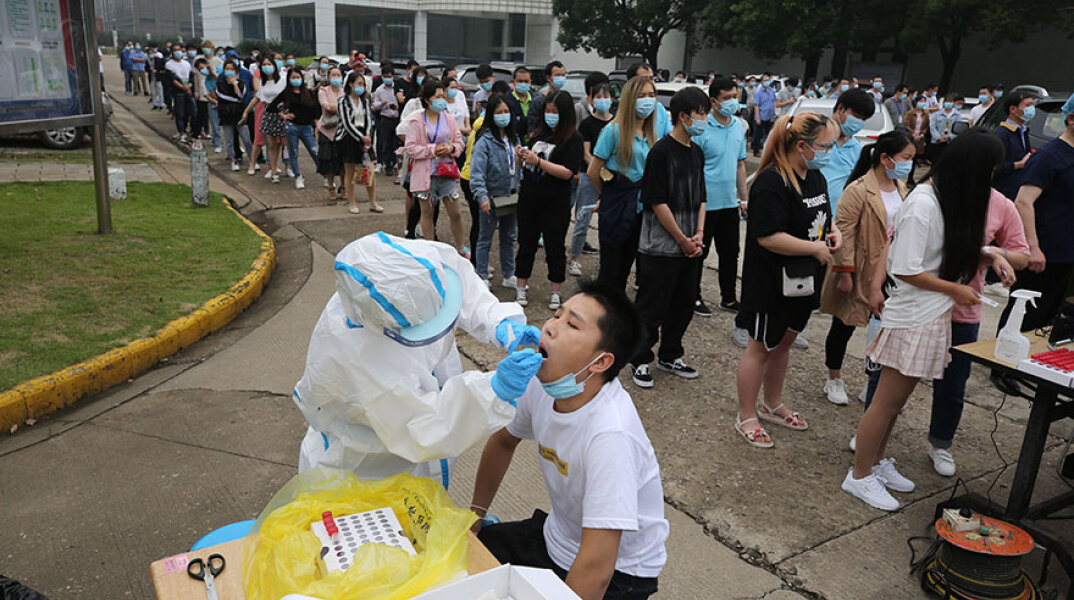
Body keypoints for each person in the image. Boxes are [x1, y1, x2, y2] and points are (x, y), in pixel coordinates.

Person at [844, 129, 1009, 511]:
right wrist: (956, 290)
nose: (991, 178)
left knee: (895, 403)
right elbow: (905, 269)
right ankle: (860, 475)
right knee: (885, 402)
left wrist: (990, 255)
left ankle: (874, 463)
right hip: (914, 317)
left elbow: (950, 247)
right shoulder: (923, 204)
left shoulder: (942, 198)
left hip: (929, 314)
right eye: (989, 170)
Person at [472, 279, 667, 600]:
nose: (550, 327)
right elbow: (503, 441)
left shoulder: (611, 435)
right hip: (558, 537)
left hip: (620, 571)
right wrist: (474, 516)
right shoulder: (543, 381)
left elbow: (596, 569)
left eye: (572, 325)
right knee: (469, 557)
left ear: (601, 362)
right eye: (557, 315)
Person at [295, 231, 543, 485]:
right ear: (389, 328)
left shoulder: (410, 263)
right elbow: (424, 425)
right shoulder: (356, 354)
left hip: (411, 462)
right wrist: (493, 390)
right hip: (368, 471)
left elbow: (457, 280)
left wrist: (497, 320)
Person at [734, 112, 842, 449]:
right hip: (772, 282)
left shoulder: (814, 177)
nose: (830, 153)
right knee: (760, 347)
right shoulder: (770, 182)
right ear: (802, 146)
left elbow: (823, 217)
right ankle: (746, 414)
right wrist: (813, 247)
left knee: (783, 344)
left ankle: (773, 403)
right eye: (825, 146)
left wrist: (833, 233)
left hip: (805, 281)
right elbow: (767, 236)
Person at [818, 131, 915, 405]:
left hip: (890, 270)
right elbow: (845, 233)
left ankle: (872, 381)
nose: (909, 163)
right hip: (860, 268)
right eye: (905, 157)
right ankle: (833, 377)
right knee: (844, 323)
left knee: (883, 327)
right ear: (885, 158)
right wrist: (844, 273)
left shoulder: (901, 185)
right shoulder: (859, 189)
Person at [629, 87, 710, 389]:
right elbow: (656, 201)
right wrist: (680, 238)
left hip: (691, 245)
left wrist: (699, 234)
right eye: (700, 114)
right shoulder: (661, 152)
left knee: (684, 303)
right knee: (652, 305)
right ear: (683, 116)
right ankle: (639, 359)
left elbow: (702, 196)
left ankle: (671, 354)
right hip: (661, 246)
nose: (704, 119)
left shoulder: (697, 152)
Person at [996, 97, 1074, 336]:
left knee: (1050, 314)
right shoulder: (1049, 156)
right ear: (1071, 119)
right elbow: (1023, 201)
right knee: (1027, 310)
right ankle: (1003, 367)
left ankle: (1031, 365)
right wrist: (1033, 247)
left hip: (1066, 252)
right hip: (1043, 251)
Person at [514, 91, 584, 310]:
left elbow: (568, 172)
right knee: (526, 243)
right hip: (530, 198)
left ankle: (556, 290)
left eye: (555, 112)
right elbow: (530, 165)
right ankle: (521, 286)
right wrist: (522, 159)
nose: (550, 115)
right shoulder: (538, 134)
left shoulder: (573, 139)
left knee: (555, 246)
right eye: (547, 111)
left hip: (556, 201)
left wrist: (539, 162)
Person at [588, 76, 660, 290]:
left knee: (627, 267)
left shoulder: (651, 133)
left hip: (641, 210)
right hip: (617, 208)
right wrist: (609, 195)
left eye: (651, 95)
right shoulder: (613, 130)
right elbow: (594, 171)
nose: (647, 100)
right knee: (610, 271)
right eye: (642, 96)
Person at [692, 77, 748, 317]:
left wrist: (743, 198)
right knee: (699, 252)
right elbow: (692, 166)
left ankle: (728, 298)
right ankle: (692, 295)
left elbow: (740, 164)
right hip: (704, 202)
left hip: (728, 202)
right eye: (727, 98)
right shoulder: (702, 128)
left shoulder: (738, 126)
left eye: (735, 96)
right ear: (713, 101)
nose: (732, 102)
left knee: (730, 252)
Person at [406, 80, 467, 254]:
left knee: (455, 212)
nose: (442, 100)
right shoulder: (416, 121)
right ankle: (430, 248)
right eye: (438, 96)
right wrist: (434, 150)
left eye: (443, 96)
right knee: (427, 213)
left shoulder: (448, 118)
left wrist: (451, 148)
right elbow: (411, 148)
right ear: (427, 100)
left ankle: (461, 247)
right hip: (425, 173)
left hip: (446, 170)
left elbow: (458, 141)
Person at [470, 94, 522, 288]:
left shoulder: (513, 139)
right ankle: (482, 275)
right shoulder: (485, 141)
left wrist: (521, 159)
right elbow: (477, 173)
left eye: (506, 112)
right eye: (499, 112)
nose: (503, 116)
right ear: (491, 115)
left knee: (508, 237)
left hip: (511, 195)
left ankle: (508, 274)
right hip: (491, 197)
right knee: (485, 238)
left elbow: (518, 168)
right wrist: (482, 196)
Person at [568, 82, 615, 277]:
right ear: (591, 99)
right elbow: (586, 153)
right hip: (590, 175)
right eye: (598, 97)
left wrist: (609, 173)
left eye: (606, 97)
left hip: (613, 178)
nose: (602, 101)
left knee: (609, 221)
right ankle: (575, 259)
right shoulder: (587, 124)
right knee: (582, 218)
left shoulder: (617, 122)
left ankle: (605, 262)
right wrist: (599, 169)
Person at [820, 88, 875, 213]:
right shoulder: (815, 140)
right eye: (856, 116)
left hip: (837, 222)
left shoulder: (857, 148)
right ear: (840, 108)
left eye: (863, 120)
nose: (859, 123)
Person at [267, 67, 320, 190]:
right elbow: (271, 106)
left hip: (306, 127)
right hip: (292, 127)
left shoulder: (308, 93)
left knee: (315, 152)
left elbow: (315, 110)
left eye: (298, 77)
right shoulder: (286, 93)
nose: (296, 80)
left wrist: (316, 124)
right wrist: (283, 115)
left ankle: (325, 175)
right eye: (293, 78)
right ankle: (298, 176)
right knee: (293, 153)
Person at [337, 71, 383, 214]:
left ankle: (373, 202)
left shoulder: (365, 101)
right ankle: (351, 203)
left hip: (364, 135)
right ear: (350, 84)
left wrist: (367, 136)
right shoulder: (343, 101)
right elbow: (346, 123)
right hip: (348, 138)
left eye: (363, 84)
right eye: (358, 84)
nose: (361, 87)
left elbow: (368, 119)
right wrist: (360, 137)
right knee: (350, 171)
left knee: (369, 170)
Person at [240, 56, 287, 182]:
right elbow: (257, 98)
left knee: (282, 144)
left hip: (281, 115)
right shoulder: (263, 82)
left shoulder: (282, 80)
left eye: (269, 64)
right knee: (270, 144)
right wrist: (246, 111)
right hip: (268, 115)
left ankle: (286, 167)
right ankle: (273, 170)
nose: (267, 67)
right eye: (264, 65)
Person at [991, 91, 1036, 201]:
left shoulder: (1023, 131)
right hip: (1003, 194)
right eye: (1028, 105)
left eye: (1032, 105)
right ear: (1013, 109)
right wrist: (1018, 165)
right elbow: (994, 167)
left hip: (1018, 191)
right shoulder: (1002, 134)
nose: (1031, 109)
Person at [215, 60, 253, 172]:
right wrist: (237, 100)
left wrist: (235, 84)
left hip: (239, 114)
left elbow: (241, 95)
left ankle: (252, 159)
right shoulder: (220, 83)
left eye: (232, 69)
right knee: (229, 140)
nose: (229, 71)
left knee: (246, 139)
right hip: (226, 114)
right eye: (227, 69)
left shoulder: (241, 83)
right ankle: (233, 159)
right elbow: (221, 96)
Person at [317, 68, 345, 202]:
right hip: (327, 131)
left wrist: (336, 107)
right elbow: (327, 107)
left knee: (343, 162)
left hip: (342, 131)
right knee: (329, 162)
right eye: (333, 75)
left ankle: (344, 187)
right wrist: (341, 107)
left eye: (338, 75)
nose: (336, 77)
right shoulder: (323, 91)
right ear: (328, 78)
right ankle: (331, 187)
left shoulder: (344, 92)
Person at [372, 63, 401, 176]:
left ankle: (396, 163)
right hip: (385, 118)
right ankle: (387, 164)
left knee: (396, 142)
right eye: (385, 76)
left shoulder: (397, 88)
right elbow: (374, 105)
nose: (387, 79)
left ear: (393, 76)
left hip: (397, 118)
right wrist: (382, 104)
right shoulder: (379, 90)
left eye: (389, 76)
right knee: (386, 142)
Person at [527, 61, 569, 132]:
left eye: (563, 75)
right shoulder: (538, 101)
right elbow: (532, 128)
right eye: (558, 75)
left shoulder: (566, 99)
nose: (561, 78)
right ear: (549, 78)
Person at [165, 47, 195, 143]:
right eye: (175, 50)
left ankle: (189, 130)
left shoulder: (186, 64)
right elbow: (172, 79)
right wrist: (183, 87)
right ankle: (181, 132)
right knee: (180, 113)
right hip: (178, 92)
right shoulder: (169, 64)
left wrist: (189, 87)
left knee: (192, 112)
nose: (178, 52)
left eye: (180, 50)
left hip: (188, 90)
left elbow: (191, 78)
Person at [505, 66, 541, 141]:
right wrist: (530, 120)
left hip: (533, 142)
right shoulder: (506, 100)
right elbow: (512, 124)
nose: (523, 84)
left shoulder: (536, 99)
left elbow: (539, 123)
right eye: (520, 81)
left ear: (530, 81)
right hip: (515, 142)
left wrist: (520, 119)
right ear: (514, 81)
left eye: (526, 81)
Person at [927, 94, 961, 164]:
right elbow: (932, 126)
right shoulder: (936, 114)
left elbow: (958, 129)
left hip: (950, 142)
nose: (948, 103)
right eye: (947, 101)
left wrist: (949, 136)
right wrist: (938, 137)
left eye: (950, 101)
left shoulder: (957, 115)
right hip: (937, 142)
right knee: (936, 162)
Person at [751, 74, 777, 156]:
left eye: (768, 80)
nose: (767, 82)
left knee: (768, 134)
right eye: (765, 80)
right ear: (762, 82)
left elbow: (774, 102)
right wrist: (758, 118)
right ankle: (756, 150)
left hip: (769, 115)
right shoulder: (759, 92)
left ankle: (766, 149)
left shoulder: (772, 91)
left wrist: (774, 112)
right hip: (761, 115)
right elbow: (756, 105)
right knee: (758, 134)